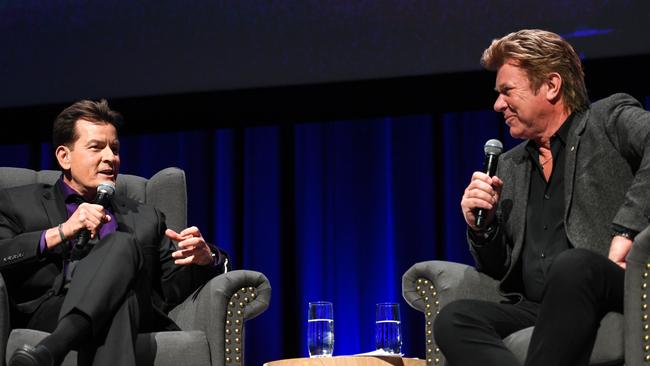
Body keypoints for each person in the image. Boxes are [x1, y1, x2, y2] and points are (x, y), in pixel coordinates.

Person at [433, 29, 650, 366]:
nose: (497, 104)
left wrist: (626, 231)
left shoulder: (607, 119)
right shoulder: (511, 164)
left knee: (572, 265)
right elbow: (497, 268)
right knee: (453, 319)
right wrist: (484, 227)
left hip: (607, 279)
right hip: (539, 304)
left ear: (551, 85)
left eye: (507, 91)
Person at [0, 99, 228, 366]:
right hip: (54, 308)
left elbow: (170, 289)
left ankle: (54, 347)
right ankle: (57, 341)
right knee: (122, 302)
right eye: (96, 147)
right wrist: (62, 231)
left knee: (121, 244)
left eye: (115, 149)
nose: (110, 157)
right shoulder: (19, 203)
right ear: (64, 156)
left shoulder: (145, 217)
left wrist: (207, 258)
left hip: (138, 313)